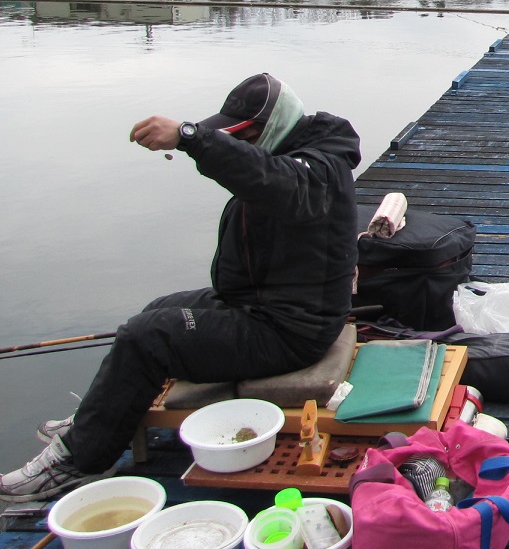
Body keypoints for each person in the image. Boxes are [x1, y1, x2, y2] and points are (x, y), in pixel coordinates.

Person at [0, 74, 361, 503]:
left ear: (274, 124)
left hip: (291, 330)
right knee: (156, 311)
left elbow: (276, 181)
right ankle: (97, 421)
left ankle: (79, 462)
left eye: (242, 136)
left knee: (146, 338)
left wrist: (193, 137)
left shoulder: (317, 171)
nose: (238, 144)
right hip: (260, 304)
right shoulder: (293, 153)